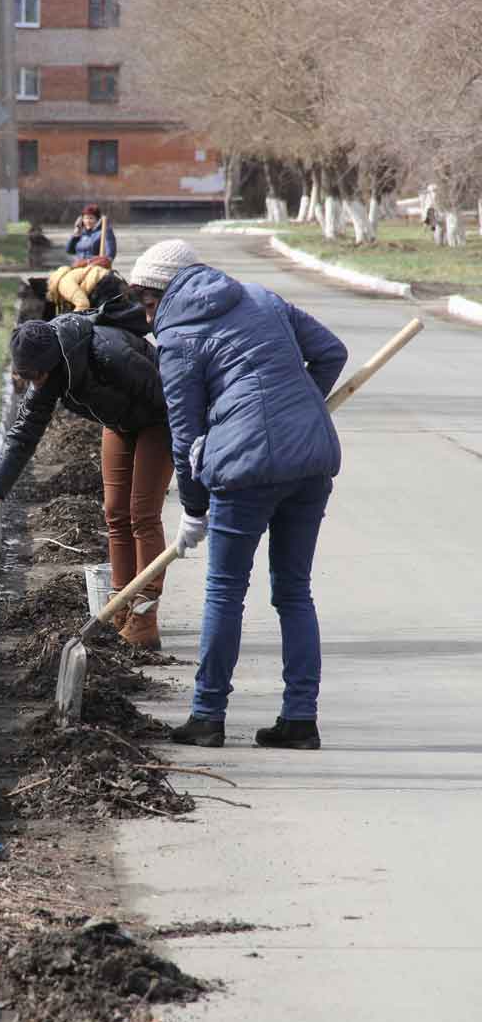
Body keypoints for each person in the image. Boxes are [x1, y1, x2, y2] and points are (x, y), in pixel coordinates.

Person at [128, 239, 348, 749]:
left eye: (147, 302)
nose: (147, 314)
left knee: (226, 591)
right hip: (311, 460)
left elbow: (183, 436)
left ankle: (207, 716)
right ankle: (300, 720)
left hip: (244, 473)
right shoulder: (262, 298)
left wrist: (194, 506)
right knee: (294, 590)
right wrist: (302, 407)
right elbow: (331, 352)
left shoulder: (179, 337)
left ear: (166, 290)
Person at [0, 298, 174, 648]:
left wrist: (195, 446)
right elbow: (22, 436)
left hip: (160, 420)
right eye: (27, 377)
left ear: (49, 365)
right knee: (114, 512)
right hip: (120, 422)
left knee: (142, 513)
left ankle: (144, 614)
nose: (35, 384)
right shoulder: (48, 373)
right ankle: (120, 605)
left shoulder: (109, 355)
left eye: (36, 377)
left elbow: (169, 397)